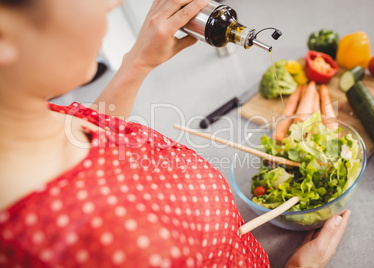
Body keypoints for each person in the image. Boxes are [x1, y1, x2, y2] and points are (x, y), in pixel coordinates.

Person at [0, 0, 351, 267]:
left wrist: (137, 63)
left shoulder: (30, 116)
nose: (113, 4)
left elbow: (97, 134)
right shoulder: (83, 242)